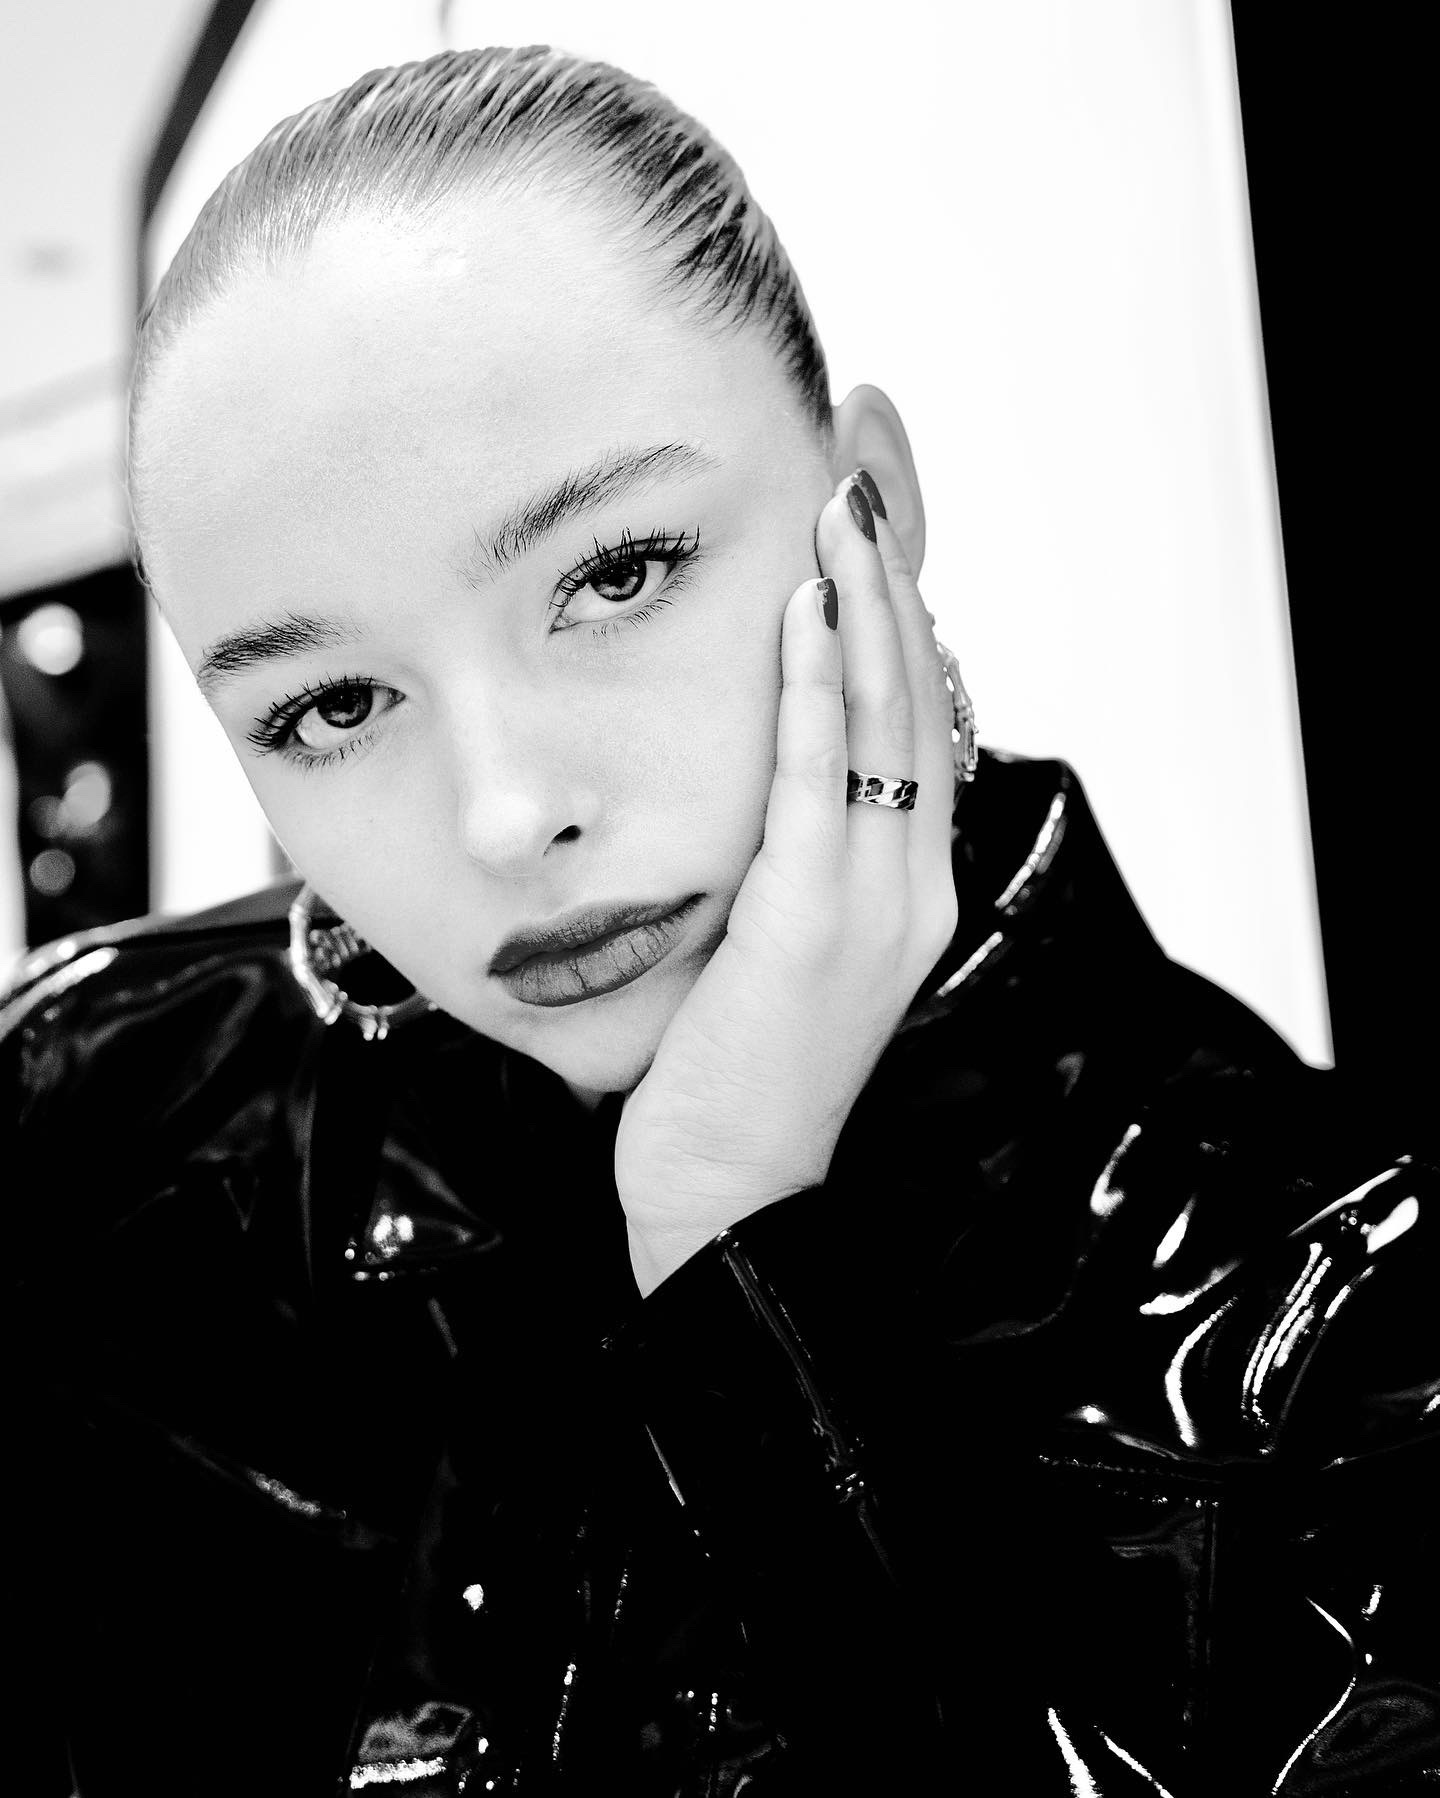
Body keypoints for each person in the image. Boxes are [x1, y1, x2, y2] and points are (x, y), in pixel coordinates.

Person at [5, 44, 1435, 1797]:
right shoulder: (104, 1140)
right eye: (332, 707)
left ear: (873, 513)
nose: (506, 815)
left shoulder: (1345, 1325)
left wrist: (732, 1234)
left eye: (614, 576)